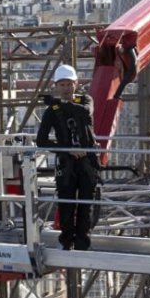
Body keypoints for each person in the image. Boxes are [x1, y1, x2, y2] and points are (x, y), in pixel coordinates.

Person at [35, 64, 99, 250]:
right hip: (67, 162)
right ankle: (66, 242)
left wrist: (59, 104)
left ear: (76, 84)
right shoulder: (52, 111)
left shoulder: (85, 100)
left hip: (87, 162)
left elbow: (85, 112)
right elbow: (42, 141)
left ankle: (82, 243)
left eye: (69, 84)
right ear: (55, 86)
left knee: (85, 204)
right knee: (66, 204)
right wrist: (67, 150)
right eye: (61, 84)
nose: (65, 88)